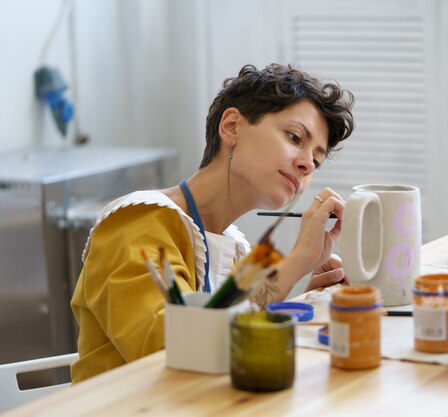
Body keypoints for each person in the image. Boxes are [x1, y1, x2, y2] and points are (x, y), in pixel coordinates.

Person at [70, 63, 355, 382]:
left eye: (316, 160)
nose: (306, 165)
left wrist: (307, 295)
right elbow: (169, 350)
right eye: (294, 137)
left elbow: (234, 333)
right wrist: (297, 260)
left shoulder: (235, 247)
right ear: (232, 126)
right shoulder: (137, 220)